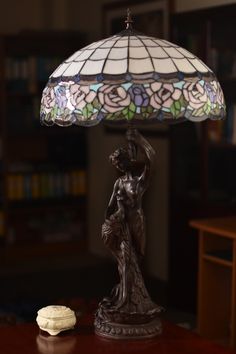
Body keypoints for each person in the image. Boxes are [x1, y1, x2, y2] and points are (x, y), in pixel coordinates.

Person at [96, 128, 162, 325]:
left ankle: (133, 300)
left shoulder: (139, 182)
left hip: (136, 223)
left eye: (120, 161)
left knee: (137, 258)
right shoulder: (118, 183)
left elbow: (152, 159)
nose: (119, 165)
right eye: (116, 163)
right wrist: (111, 222)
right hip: (121, 225)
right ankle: (124, 299)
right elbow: (109, 208)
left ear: (127, 161)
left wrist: (140, 140)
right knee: (125, 260)